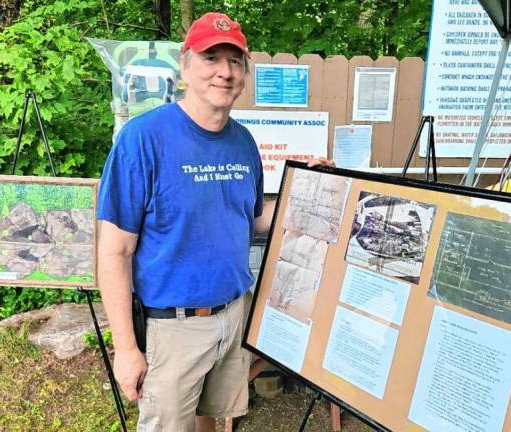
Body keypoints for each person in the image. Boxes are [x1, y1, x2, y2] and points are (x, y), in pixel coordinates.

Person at [96, 11, 333, 432]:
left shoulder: (243, 142)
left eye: (235, 60)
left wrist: (309, 188)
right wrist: (126, 349)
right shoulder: (142, 140)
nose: (224, 72)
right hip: (171, 329)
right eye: (211, 58)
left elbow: (256, 218)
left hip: (231, 315)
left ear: (244, 72)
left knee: (214, 421)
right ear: (185, 65)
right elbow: (114, 251)